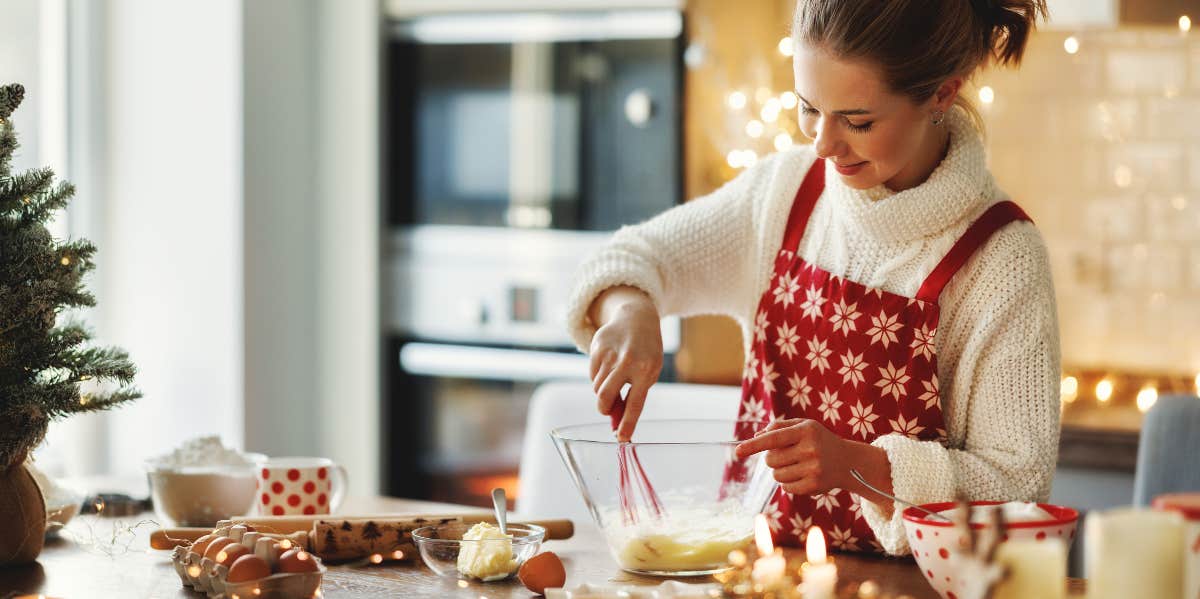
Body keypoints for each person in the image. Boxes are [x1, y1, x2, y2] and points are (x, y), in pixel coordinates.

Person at [564, 0, 1061, 555]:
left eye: (858, 121)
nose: (823, 144)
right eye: (809, 108)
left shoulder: (1002, 259)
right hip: (757, 576)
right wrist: (631, 310)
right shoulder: (787, 191)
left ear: (943, 93)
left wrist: (859, 465)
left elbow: (1020, 488)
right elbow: (634, 256)